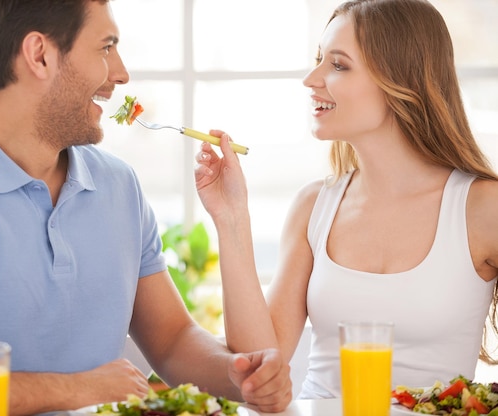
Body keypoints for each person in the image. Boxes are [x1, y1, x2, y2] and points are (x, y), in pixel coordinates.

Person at [0, 1, 293, 414]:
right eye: (106, 47)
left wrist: (239, 374)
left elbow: (172, 339)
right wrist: (73, 390)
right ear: (40, 55)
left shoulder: (119, 186)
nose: (122, 73)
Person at [195, 0, 498, 400]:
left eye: (338, 65)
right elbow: (259, 361)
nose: (311, 79)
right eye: (319, 59)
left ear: (398, 80)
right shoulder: (314, 207)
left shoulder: (481, 209)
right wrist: (231, 217)